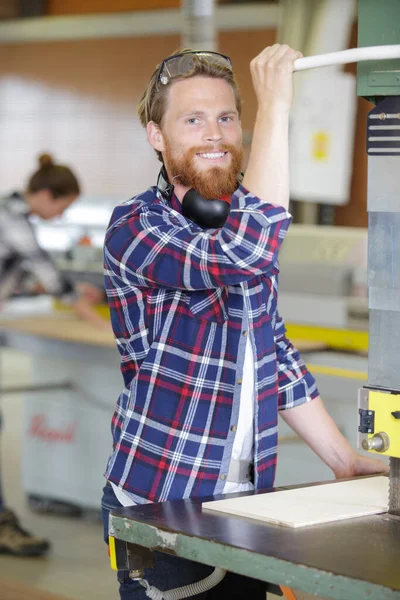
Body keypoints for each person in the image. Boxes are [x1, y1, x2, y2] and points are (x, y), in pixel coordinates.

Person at [101, 46, 388, 599]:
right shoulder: (136, 227)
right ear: (156, 136)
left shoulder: (242, 220)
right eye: (193, 119)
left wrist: (342, 459)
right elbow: (245, 252)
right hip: (164, 503)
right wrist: (279, 104)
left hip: (248, 504)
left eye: (227, 117)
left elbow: (271, 350)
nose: (215, 133)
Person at [0, 153, 108, 557]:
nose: (61, 215)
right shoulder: (11, 220)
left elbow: (22, 279)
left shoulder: (12, 216)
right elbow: (46, 273)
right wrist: (93, 318)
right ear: (45, 194)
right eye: (61, 206)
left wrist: (77, 292)